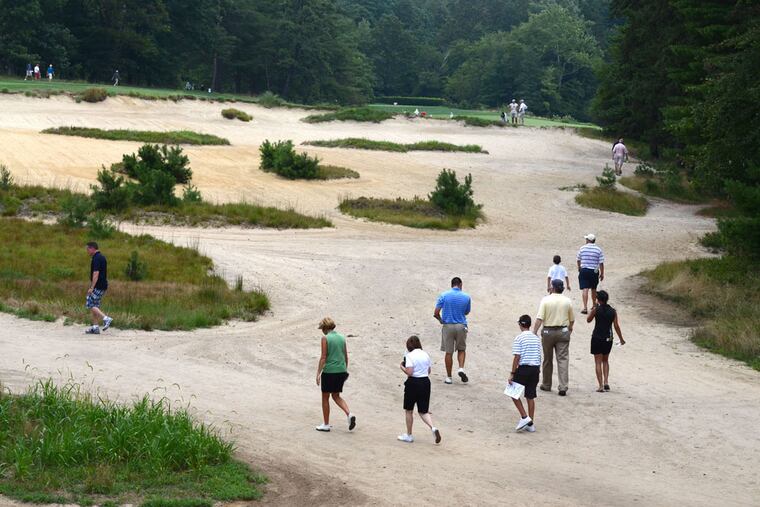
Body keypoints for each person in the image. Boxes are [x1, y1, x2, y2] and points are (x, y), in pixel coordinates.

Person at [533, 279, 574, 396]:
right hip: (563, 331)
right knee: (563, 359)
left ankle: (546, 384)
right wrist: (569, 330)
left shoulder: (546, 300)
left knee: (547, 359)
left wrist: (534, 332)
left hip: (548, 332)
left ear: (553, 288)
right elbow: (572, 319)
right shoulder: (567, 301)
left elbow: (540, 318)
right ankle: (563, 386)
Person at [398, 336, 442, 444]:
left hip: (413, 383)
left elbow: (410, 372)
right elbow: (429, 370)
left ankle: (409, 435)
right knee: (423, 410)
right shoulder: (425, 354)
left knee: (409, 410)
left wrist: (401, 367)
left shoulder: (409, 356)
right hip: (425, 382)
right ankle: (433, 428)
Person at [315, 317, 356, 432]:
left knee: (325, 397)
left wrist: (318, 373)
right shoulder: (342, 338)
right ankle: (349, 414)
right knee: (336, 395)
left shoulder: (325, 338)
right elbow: (346, 356)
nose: (322, 330)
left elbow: (323, 357)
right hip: (341, 370)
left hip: (329, 371)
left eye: (322, 328)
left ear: (325, 327)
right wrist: (345, 371)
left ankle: (326, 424)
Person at [434, 277, 472, 384]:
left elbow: (436, 312)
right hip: (461, 325)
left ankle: (449, 377)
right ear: (460, 284)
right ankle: (460, 368)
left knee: (448, 352)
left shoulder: (444, 295)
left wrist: (441, 320)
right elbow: (466, 312)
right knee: (461, 349)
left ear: (451, 284)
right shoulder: (466, 297)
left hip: (448, 326)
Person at [587, 290, 625, 392]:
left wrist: (594, 308)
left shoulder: (596, 309)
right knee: (605, 360)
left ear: (598, 299)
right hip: (608, 338)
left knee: (597, 362)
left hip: (597, 337)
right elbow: (616, 326)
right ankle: (606, 382)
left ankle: (600, 386)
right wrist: (621, 339)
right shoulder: (613, 311)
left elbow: (588, 320)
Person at [508, 315, 541, 432]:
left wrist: (512, 373)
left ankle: (524, 417)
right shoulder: (536, 338)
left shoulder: (519, 338)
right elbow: (538, 355)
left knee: (512, 392)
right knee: (530, 396)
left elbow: (517, 357)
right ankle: (531, 423)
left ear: (521, 324)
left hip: (524, 368)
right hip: (535, 368)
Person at [85, 242, 113, 335]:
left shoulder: (96, 258)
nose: (87, 251)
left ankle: (106, 318)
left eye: (88, 249)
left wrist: (92, 287)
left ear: (92, 248)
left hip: (98, 285)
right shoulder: (102, 257)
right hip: (102, 285)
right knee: (95, 305)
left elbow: (95, 273)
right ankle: (95, 327)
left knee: (90, 303)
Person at [576, 233, 605, 314]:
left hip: (584, 270)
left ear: (588, 240)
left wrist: (579, 267)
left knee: (585, 289)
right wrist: (602, 273)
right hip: (594, 271)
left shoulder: (582, 248)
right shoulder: (598, 249)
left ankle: (585, 308)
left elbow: (578, 259)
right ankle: (594, 305)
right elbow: (601, 263)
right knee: (593, 289)